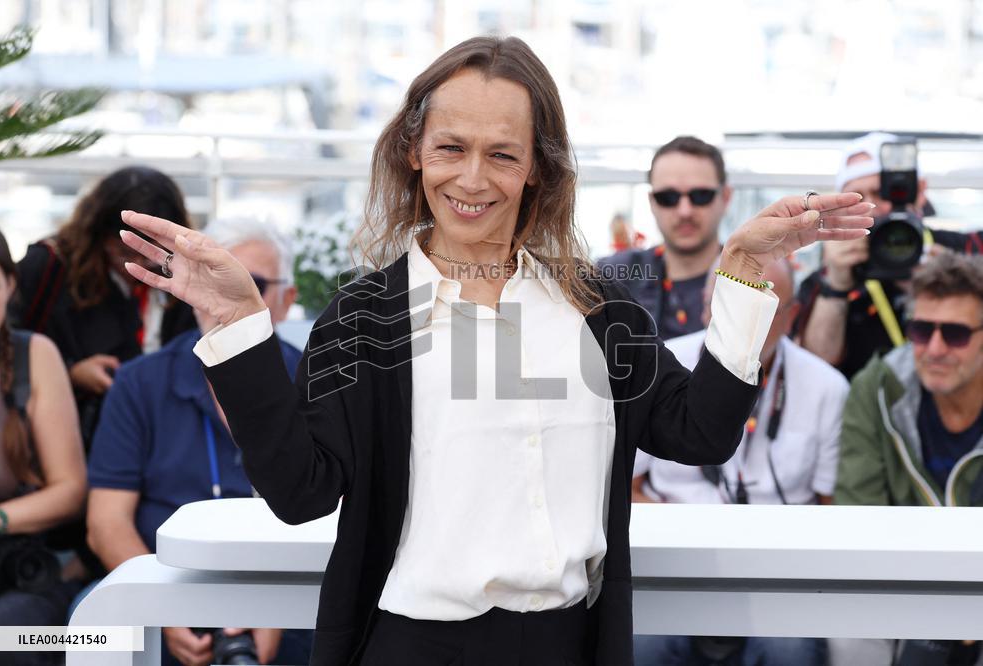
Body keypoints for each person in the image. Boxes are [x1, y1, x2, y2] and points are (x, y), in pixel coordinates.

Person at [116, 36, 872, 666]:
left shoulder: (598, 310)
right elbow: (301, 491)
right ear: (413, 152)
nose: (472, 179)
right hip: (410, 647)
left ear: (537, 167)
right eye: (450, 147)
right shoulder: (362, 319)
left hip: (570, 643)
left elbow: (700, 431)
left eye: (503, 155)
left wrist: (739, 270)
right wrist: (240, 326)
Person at [84, 218, 307, 666]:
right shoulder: (140, 383)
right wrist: (163, 610)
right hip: (159, 582)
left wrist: (277, 611)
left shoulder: (317, 381)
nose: (230, 297)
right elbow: (106, 522)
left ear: (286, 301)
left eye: (253, 284)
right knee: (90, 631)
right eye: (214, 278)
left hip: (289, 590)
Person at [631, 258, 848, 666]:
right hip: (675, 565)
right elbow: (626, 490)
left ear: (793, 315)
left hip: (778, 573)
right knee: (642, 646)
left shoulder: (827, 388)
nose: (742, 328)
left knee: (792, 652)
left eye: (761, 310)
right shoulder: (658, 367)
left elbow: (829, 505)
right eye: (728, 306)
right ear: (704, 305)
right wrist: (687, 535)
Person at [832, 252, 983, 665]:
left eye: (955, 334)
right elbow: (859, 514)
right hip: (899, 577)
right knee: (849, 640)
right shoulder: (878, 387)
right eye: (921, 330)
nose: (934, 349)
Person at [11, 165, 198, 449]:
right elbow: (5, 346)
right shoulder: (49, 266)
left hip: (164, 434)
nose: (141, 264)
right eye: (125, 252)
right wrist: (69, 374)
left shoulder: (186, 269)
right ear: (99, 236)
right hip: (71, 439)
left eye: (154, 253)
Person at [0, 218, 87, 666]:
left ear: (10, 285)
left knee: (5, 642)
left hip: (29, 567)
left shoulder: (34, 355)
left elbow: (71, 490)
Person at [796, 132, 983, 380]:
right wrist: (836, 288)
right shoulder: (833, 274)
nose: (872, 208)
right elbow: (816, 369)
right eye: (856, 199)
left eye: (883, 193)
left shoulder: (966, 251)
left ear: (919, 191)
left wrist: (955, 281)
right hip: (867, 411)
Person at [598, 136, 731, 339]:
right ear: (652, 202)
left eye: (700, 196)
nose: (684, 211)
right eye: (668, 198)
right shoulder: (614, 276)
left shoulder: (749, 281)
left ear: (726, 197)